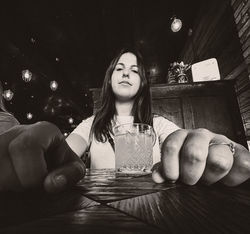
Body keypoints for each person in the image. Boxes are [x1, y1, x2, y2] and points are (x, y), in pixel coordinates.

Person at [0, 48, 249, 194]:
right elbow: (64, 153)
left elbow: (187, 142)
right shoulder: (92, 124)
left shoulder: (158, 124)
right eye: (119, 68)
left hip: (155, 207)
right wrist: (42, 149)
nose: (127, 73)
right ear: (109, 80)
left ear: (142, 82)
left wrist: (222, 146)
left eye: (134, 70)